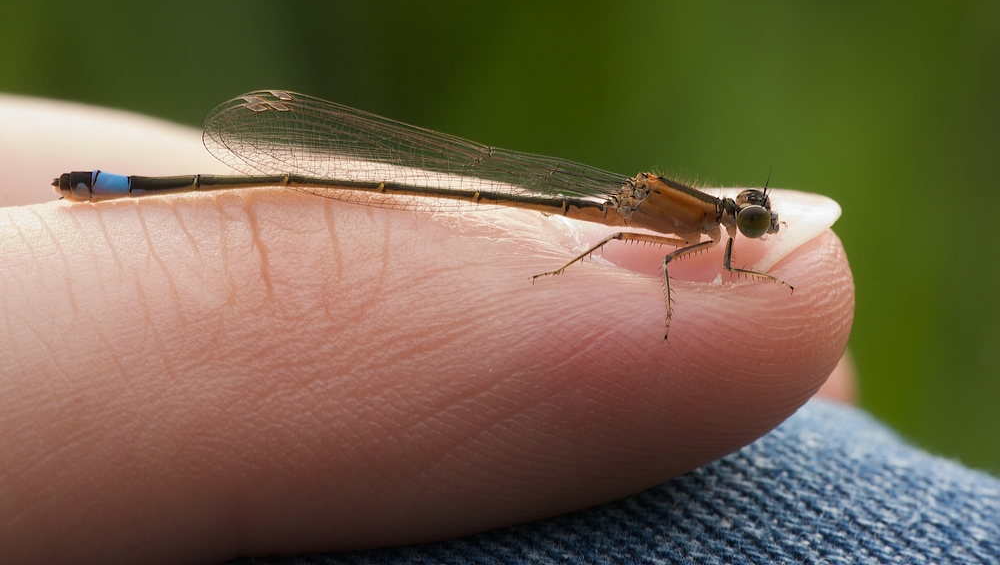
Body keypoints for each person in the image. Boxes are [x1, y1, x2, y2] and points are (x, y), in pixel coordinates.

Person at [1, 94, 995, 564]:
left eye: (744, 224)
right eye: (743, 220)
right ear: (726, 214)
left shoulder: (701, 223)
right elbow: (667, 266)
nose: (746, 230)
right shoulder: (691, 221)